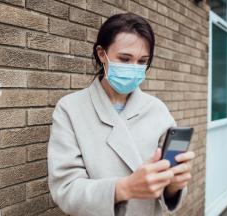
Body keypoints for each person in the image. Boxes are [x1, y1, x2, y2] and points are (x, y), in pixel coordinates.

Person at [47, 13, 195, 216]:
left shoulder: (157, 110)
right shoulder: (70, 109)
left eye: (142, 61)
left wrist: (174, 185)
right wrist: (124, 188)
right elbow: (66, 190)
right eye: (125, 59)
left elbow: (166, 184)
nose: (134, 69)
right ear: (101, 54)